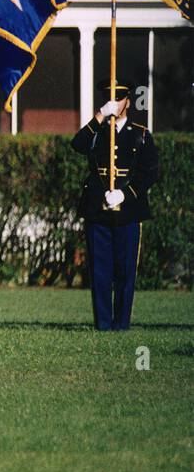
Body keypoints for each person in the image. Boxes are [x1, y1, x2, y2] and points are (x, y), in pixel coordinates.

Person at [71, 79, 159, 331]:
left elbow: (149, 172)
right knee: (100, 270)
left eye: (118, 99)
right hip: (97, 208)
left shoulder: (140, 134)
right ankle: (103, 324)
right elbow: (77, 145)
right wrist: (100, 115)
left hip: (128, 210)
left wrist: (125, 193)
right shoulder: (97, 131)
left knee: (125, 269)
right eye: (109, 99)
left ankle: (121, 324)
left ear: (128, 102)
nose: (114, 103)